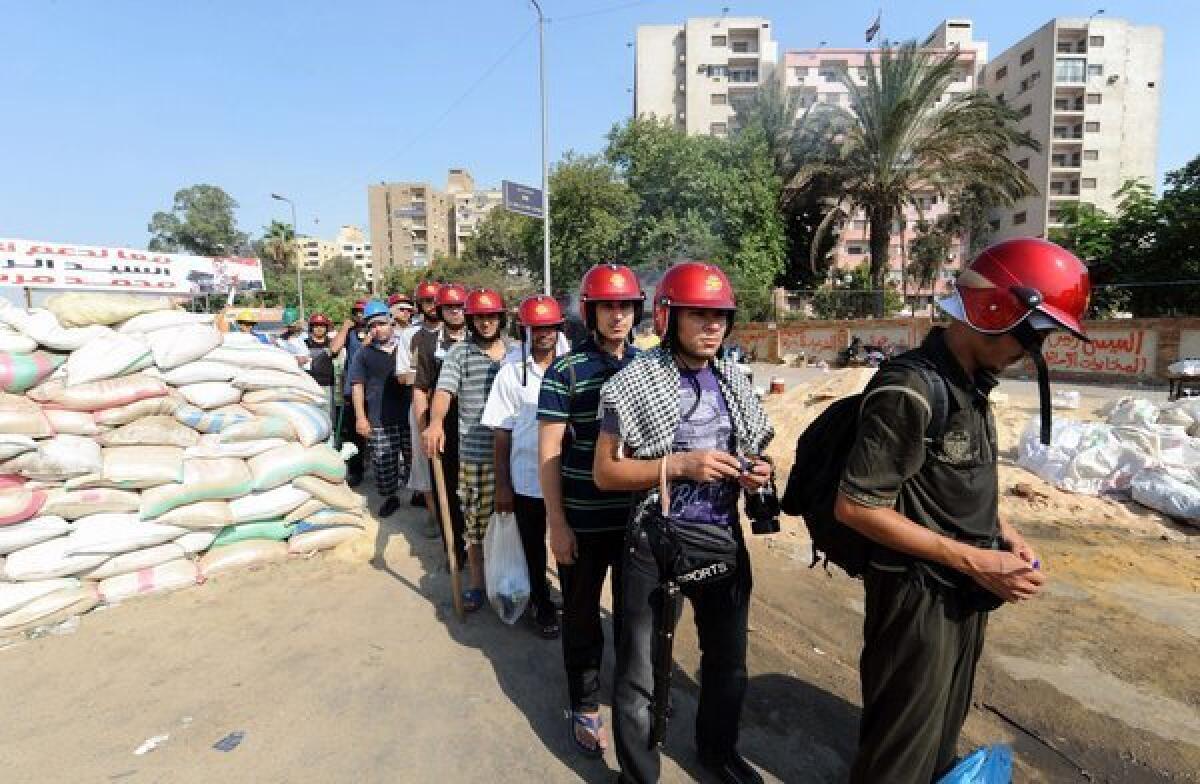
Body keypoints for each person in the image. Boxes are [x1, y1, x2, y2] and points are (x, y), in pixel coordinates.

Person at [834, 238, 1087, 784]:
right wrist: (974, 560)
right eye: (1035, 334)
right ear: (996, 310)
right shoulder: (910, 388)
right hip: (914, 595)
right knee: (900, 751)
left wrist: (1005, 535)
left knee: (940, 732)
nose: (1034, 350)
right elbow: (857, 507)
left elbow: (961, 480)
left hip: (962, 587)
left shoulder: (971, 385)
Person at [593, 262, 774, 784]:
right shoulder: (632, 382)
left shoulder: (735, 379)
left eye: (720, 315)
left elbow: (756, 450)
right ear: (670, 317)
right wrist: (679, 464)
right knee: (640, 671)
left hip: (722, 537)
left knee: (728, 663)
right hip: (656, 541)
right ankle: (639, 773)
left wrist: (757, 471)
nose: (713, 326)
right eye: (700, 314)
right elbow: (606, 471)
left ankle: (717, 753)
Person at [537, 263, 643, 757]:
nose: (618, 315)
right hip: (581, 520)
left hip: (635, 522)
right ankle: (584, 705)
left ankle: (635, 699)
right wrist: (556, 524)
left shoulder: (645, 368)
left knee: (635, 617)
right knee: (581, 619)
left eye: (625, 305)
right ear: (591, 311)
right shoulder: (565, 370)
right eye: (609, 306)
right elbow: (549, 452)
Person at [481, 294, 566, 638]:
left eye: (550, 327)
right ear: (525, 329)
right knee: (532, 545)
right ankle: (541, 605)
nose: (544, 333)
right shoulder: (511, 372)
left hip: (566, 476)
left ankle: (570, 601)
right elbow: (501, 433)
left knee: (567, 543)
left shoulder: (572, 364)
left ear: (559, 327)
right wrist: (503, 485)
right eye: (537, 327)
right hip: (527, 477)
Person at [423, 288, 508, 612]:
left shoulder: (516, 353)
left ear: (500, 318)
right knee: (475, 525)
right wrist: (436, 423)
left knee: (517, 523)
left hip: (515, 453)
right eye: (479, 318)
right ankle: (476, 584)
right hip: (476, 454)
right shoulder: (460, 353)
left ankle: (518, 581)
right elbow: (444, 391)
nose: (486, 323)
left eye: (491, 316)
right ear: (471, 321)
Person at [412, 283, 469, 566]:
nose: (456, 312)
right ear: (441, 310)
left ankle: (482, 553)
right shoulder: (428, 343)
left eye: (460, 307)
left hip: (476, 426)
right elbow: (421, 389)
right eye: (450, 307)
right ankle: (454, 551)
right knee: (446, 490)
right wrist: (426, 427)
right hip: (442, 427)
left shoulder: (482, 337)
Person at [348, 300, 409, 519]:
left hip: (408, 415)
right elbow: (357, 386)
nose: (377, 329)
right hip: (379, 418)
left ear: (391, 323)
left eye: (382, 324)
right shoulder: (363, 355)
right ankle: (390, 498)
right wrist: (360, 418)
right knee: (384, 463)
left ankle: (420, 495)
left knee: (415, 461)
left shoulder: (406, 346)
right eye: (372, 326)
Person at [402, 281, 442, 517]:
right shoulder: (411, 335)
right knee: (424, 461)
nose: (433, 305)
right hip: (421, 403)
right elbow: (402, 376)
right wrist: (425, 380)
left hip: (450, 405)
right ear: (419, 304)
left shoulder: (457, 331)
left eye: (437, 300)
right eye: (428, 301)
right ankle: (434, 515)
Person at [339, 299, 370, 486]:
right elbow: (334, 348)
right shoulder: (349, 333)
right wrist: (344, 328)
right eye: (356, 312)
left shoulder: (378, 331)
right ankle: (356, 470)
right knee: (353, 434)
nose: (360, 315)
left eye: (363, 312)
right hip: (353, 390)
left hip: (372, 390)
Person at [299, 312, 345, 409]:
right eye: (316, 326)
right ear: (311, 327)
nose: (319, 328)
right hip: (309, 386)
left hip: (328, 386)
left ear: (327, 328)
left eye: (322, 326)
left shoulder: (332, 343)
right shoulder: (303, 344)